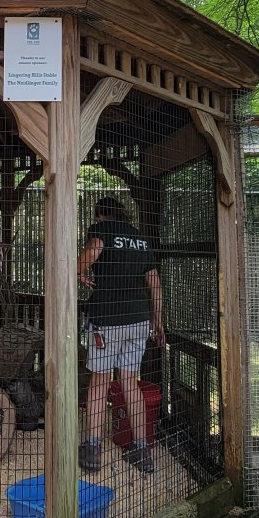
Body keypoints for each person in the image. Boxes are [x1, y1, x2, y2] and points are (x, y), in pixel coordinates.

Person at [77, 196, 165, 475]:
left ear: (100, 215)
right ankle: (142, 451)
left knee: (100, 383)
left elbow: (92, 252)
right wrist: (157, 320)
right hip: (139, 321)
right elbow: (154, 281)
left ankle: (92, 449)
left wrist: (80, 270)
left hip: (109, 319)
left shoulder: (102, 231)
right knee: (130, 381)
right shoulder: (138, 238)